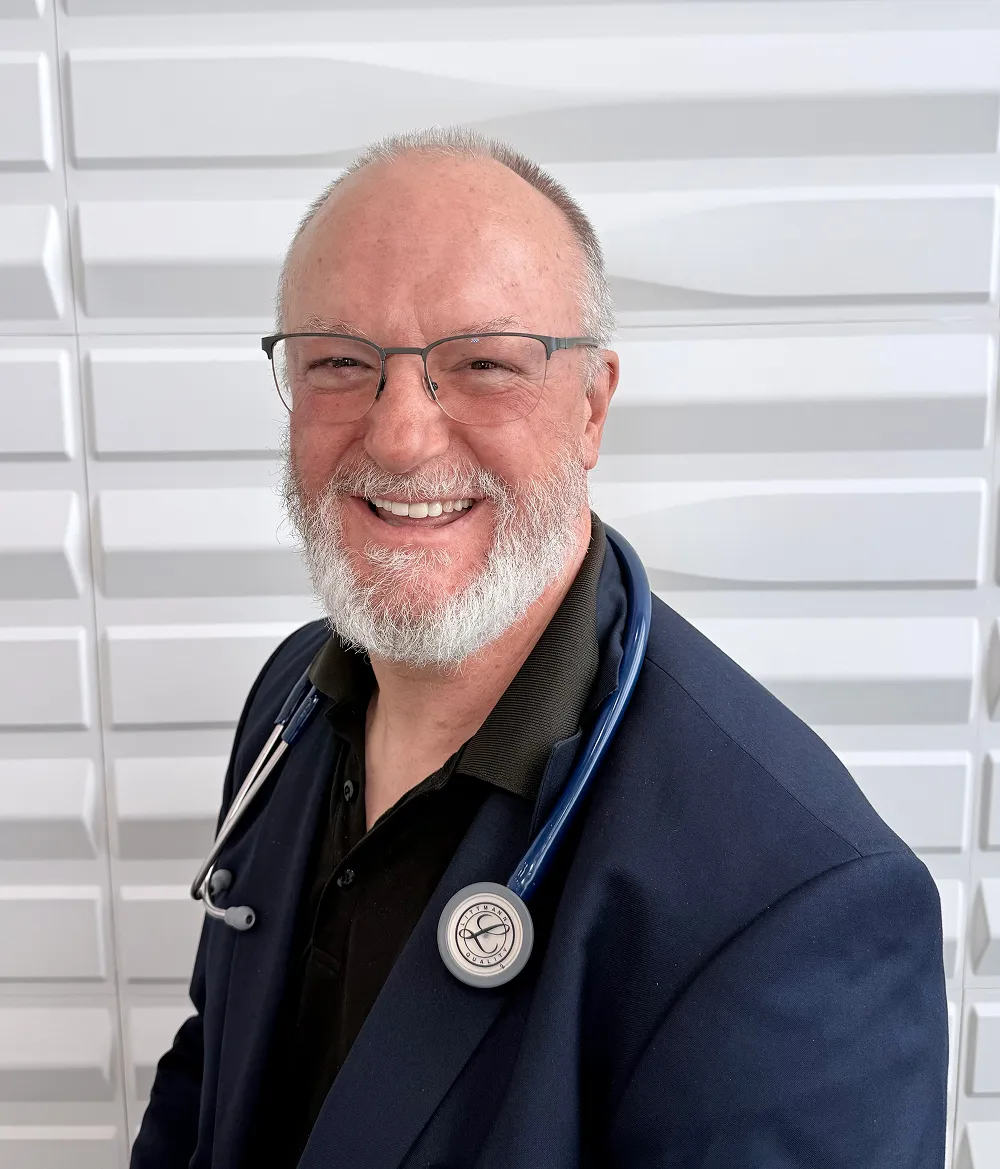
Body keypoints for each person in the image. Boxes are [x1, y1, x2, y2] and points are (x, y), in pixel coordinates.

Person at [131, 128, 948, 1169]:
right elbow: (214, 1075)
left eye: (481, 363)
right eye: (340, 362)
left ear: (592, 404)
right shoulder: (291, 700)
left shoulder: (794, 903)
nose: (399, 435)